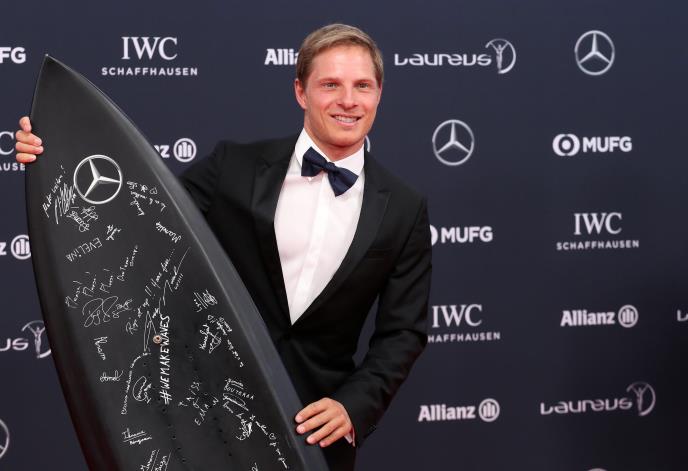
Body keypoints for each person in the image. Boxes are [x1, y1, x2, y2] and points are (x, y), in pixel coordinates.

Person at [15, 23, 431, 471]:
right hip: (203, 414)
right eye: (330, 84)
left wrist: (353, 407)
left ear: (379, 93)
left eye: (362, 86)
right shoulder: (234, 167)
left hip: (316, 432)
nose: (348, 100)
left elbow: (403, 331)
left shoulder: (404, 208)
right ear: (301, 91)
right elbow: (140, 219)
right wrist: (55, 154)